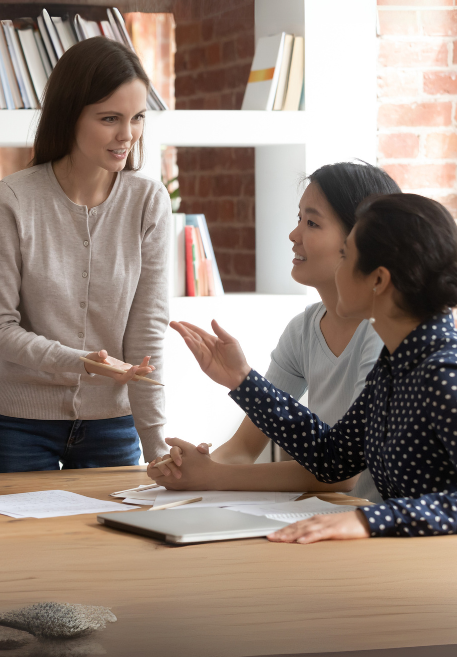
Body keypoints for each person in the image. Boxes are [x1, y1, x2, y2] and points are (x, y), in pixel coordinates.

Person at [162, 193, 457, 542]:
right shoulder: (398, 363)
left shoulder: (447, 373)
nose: (338, 269)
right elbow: (332, 457)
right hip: (420, 570)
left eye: (345, 256)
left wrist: (368, 519)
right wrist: (242, 381)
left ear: (379, 280)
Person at [151, 162, 400, 500]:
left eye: (312, 223)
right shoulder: (303, 329)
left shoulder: (386, 335)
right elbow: (244, 446)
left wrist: (215, 477)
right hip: (338, 521)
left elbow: (343, 474)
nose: (294, 235)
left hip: (377, 530)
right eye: (299, 219)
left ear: (360, 241)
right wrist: (189, 469)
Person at [0, 36, 169, 472]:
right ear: (69, 115)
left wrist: (156, 445)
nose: (127, 135)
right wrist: (81, 362)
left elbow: (146, 336)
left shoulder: (148, 202)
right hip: (19, 423)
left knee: (113, 541)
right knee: (18, 537)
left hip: (113, 425)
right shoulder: (14, 199)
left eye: (137, 118)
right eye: (110, 119)